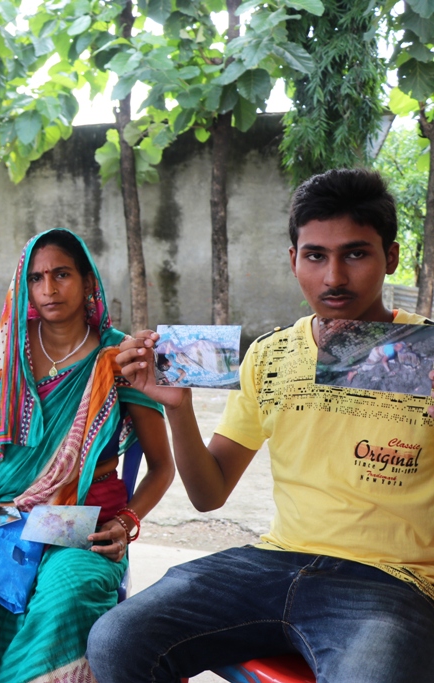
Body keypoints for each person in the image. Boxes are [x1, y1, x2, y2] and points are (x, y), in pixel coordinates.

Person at [87, 168, 434, 682]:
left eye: (356, 253)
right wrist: (177, 409)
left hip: (391, 582)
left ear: (393, 258)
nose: (333, 277)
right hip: (270, 563)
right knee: (117, 639)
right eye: (315, 255)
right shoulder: (271, 355)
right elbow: (209, 495)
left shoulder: (427, 354)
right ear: (294, 260)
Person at [0, 228, 175, 683]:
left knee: (64, 599)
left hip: (83, 519)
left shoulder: (118, 358)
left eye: (61, 275)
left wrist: (125, 523)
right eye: (36, 278)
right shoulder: (4, 352)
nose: (49, 289)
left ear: (88, 281)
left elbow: (162, 468)